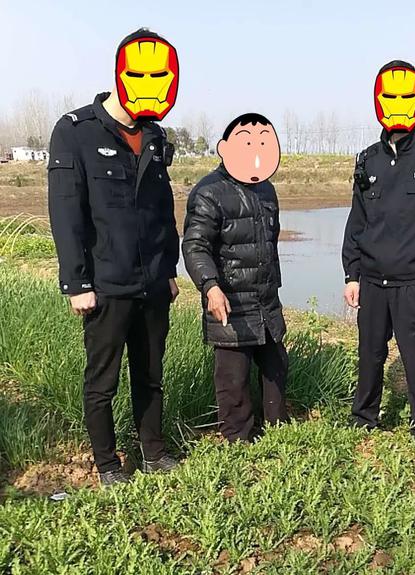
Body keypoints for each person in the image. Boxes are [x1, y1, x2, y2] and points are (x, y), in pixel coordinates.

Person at [48, 28, 181, 488]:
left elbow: (162, 209)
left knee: (150, 374)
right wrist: (76, 283)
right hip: (105, 284)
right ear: (121, 74)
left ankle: (154, 453)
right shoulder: (75, 131)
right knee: (102, 381)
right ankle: (107, 465)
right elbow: (66, 212)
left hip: (152, 282)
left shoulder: (154, 134)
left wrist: (169, 269)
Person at [342, 60, 415, 445]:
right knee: (369, 354)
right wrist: (351, 274)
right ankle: (364, 417)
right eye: (389, 97)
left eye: (406, 97)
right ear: (378, 101)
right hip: (372, 280)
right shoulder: (367, 159)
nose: (397, 105)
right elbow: (357, 221)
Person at [182, 113, 289, 443]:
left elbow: (270, 240)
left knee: (276, 367)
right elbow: (195, 246)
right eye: (246, 143)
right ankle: (237, 440)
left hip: (265, 299)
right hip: (230, 300)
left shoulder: (266, 189)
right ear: (225, 148)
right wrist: (210, 287)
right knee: (233, 378)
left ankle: (278, 432)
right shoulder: (208, 192)